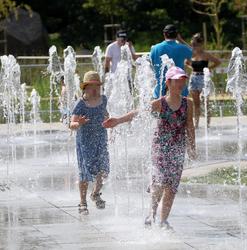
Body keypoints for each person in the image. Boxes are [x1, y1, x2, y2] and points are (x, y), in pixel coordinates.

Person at [103, 66, 196, 230]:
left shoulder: (188, 103)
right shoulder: (160, 103)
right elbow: (138, 112)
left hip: (178, 148)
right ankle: (151, 213)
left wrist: (192, 147)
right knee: (160, 181)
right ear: (168, 82)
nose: (181, 83)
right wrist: (118, 120)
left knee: (172, 186)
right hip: (160, 147)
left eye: (183, 80)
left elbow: (190, 125)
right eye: (177, 80)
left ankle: (163, 219)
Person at [70, 71, 109, 215]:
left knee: (103, 170)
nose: (95, 89)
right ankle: (82, 202)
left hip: (101, 139)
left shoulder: (103, 99)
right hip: (85, 142)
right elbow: (71, 124)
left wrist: (108, 120)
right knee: (85, 173)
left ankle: (95, 193)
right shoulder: (81, 103)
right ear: (85, 87)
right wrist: (77, 123)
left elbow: (105, 113)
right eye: (92, 86)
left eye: (97, 86)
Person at [185, 33, 221, 128]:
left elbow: (218, 62)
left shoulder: (206, 54)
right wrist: (191, 67)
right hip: (193, 78)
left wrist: (209, 68)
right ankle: (196, 125)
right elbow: (186, 62)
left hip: (203, 78)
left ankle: (207, 125)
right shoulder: (191, 54)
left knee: (206, 103)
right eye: (192, 45)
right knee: (195, 104)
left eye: (195, 45)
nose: (193, 46)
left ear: (200, 44)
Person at [150, 24, 192, 99]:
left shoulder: (155, 48)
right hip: (179, 89)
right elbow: (195, 53)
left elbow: (151, 65)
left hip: (160, 89)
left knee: (160, 110)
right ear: (177, 35)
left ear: (164, 34)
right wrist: (181, 40)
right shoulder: (182, 48)